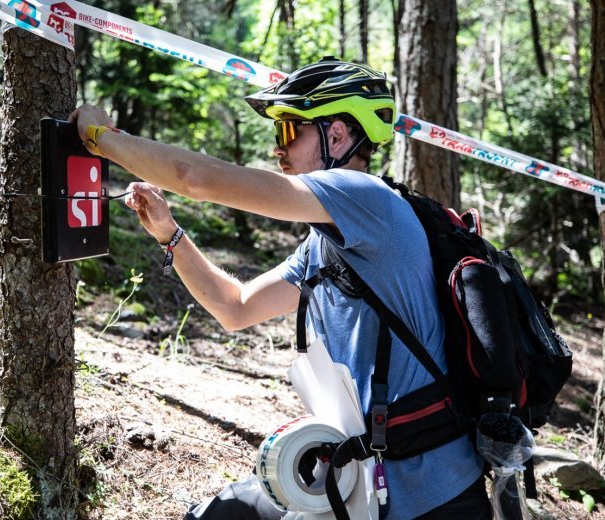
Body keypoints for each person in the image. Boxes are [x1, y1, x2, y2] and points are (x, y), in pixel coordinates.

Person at [69, 57, 491, 520]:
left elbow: (196, 179)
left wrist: (102, 138)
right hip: (363, 479)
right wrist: (170, 234)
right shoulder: (328, 242)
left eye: (291, 131)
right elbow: (236, 307)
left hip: (432, 494)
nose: (278, 149)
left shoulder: (365, 197)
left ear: (337, 136)